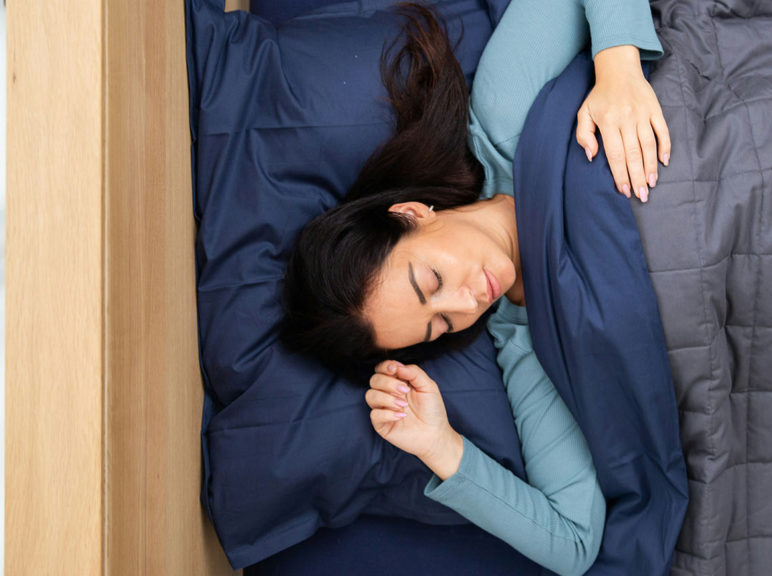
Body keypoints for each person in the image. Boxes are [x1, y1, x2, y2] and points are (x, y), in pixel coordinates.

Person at [281, 1, 670, 574]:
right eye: (441, 324)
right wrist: (440, 446)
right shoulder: (528, 349)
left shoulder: (503, 115)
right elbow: (573, 543)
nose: (467, 303)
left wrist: (618, 69)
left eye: (430, 281)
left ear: (413, 213)